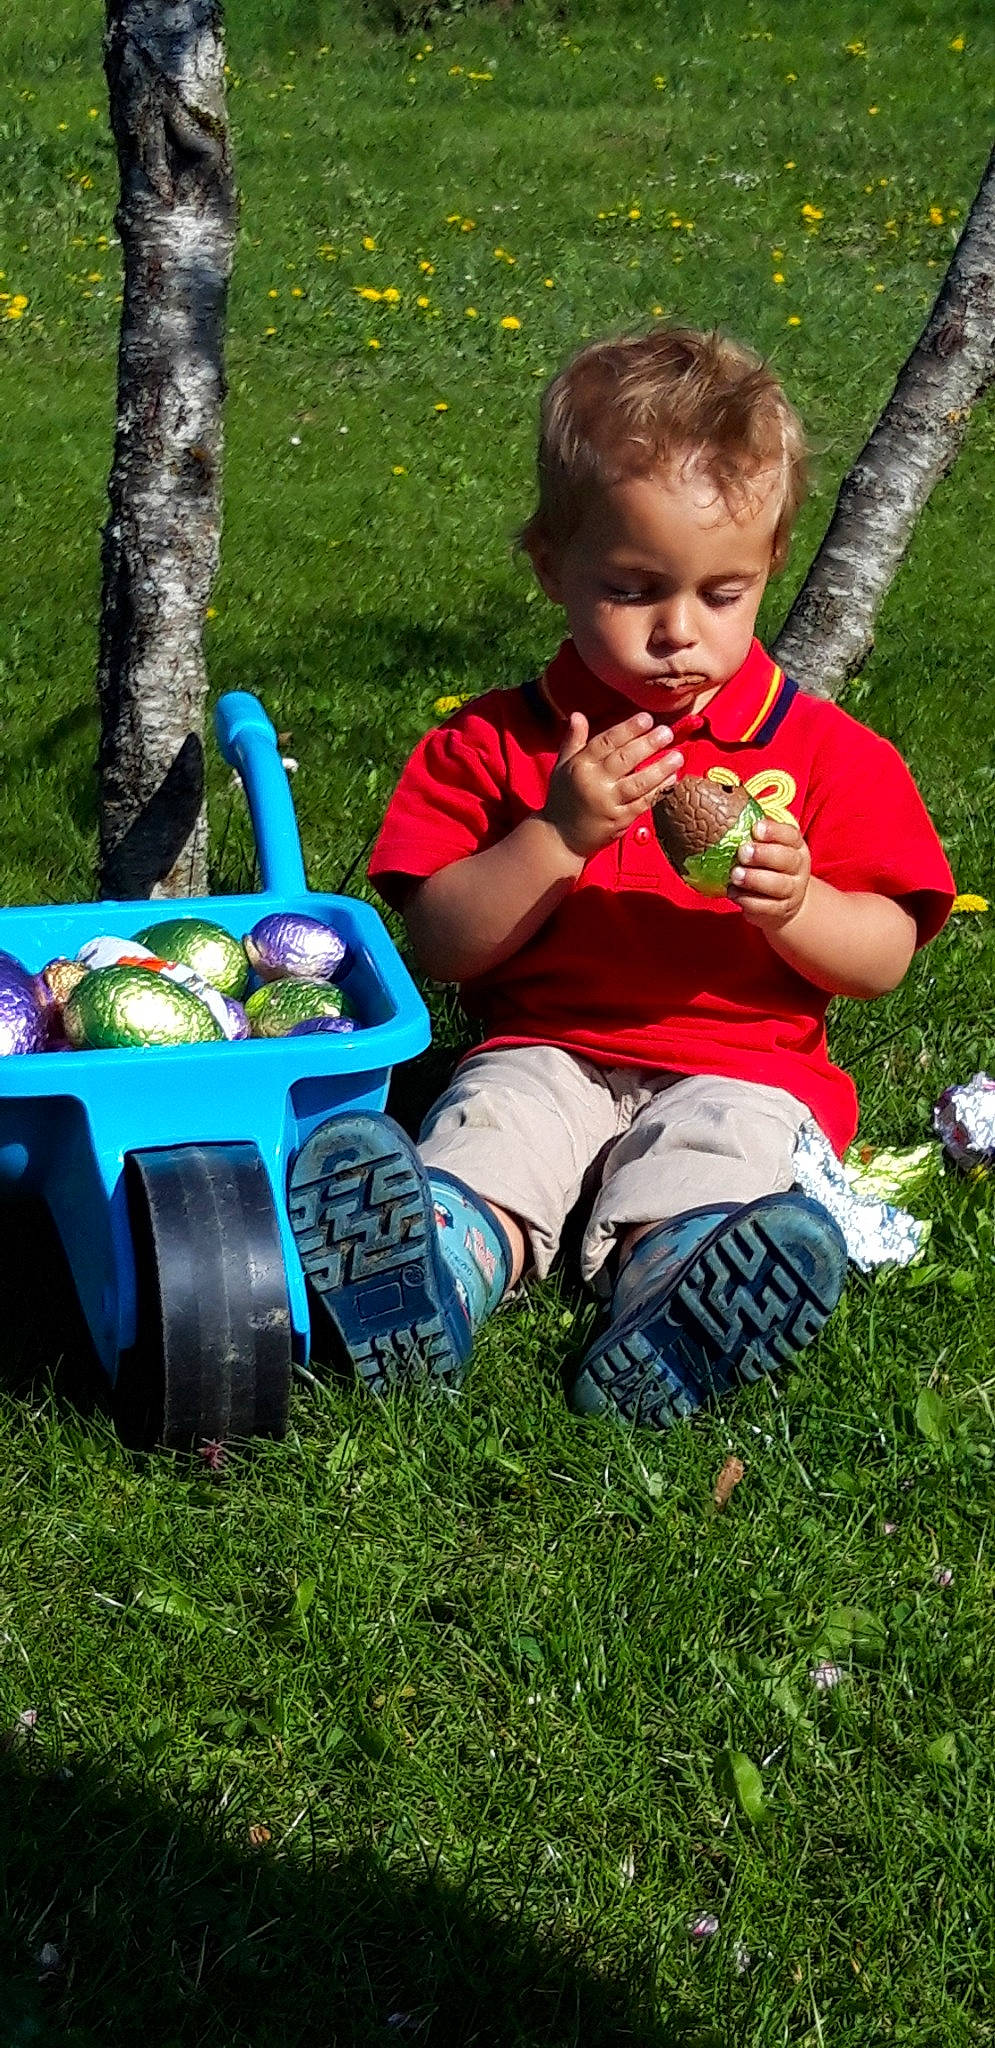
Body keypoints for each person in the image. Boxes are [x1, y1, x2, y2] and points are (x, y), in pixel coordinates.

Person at [289, 326, 955, 1429]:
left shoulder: (830, 756)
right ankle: (434, 1269)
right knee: (494, 1128)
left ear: (770, 567)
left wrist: (797, 905)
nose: (678, 634)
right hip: (543, 1045)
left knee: (719, 1153)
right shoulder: (492, 744)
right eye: (634, 587)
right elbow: (440, 945)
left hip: (740, 1062)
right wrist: (553, 835)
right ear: (551, 564)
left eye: (721, 594)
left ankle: (677, 1289)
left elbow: (882, 954)